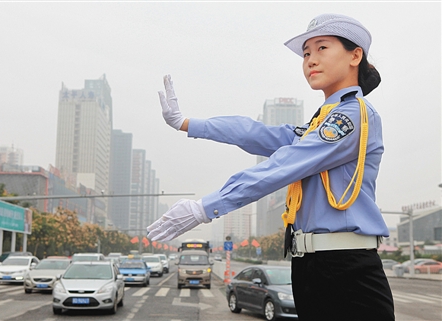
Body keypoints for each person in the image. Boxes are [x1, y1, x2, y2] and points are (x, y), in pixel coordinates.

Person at [147, 13, 394, 321]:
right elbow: (257, 133)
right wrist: (187, 123)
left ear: (355, 54)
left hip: (345, 268)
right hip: (312, 265)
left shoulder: (353, 117)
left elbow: (287, 163)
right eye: (306, 53)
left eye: (322, 48)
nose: (310, 60)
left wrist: (205, 207)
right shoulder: (319, 123)